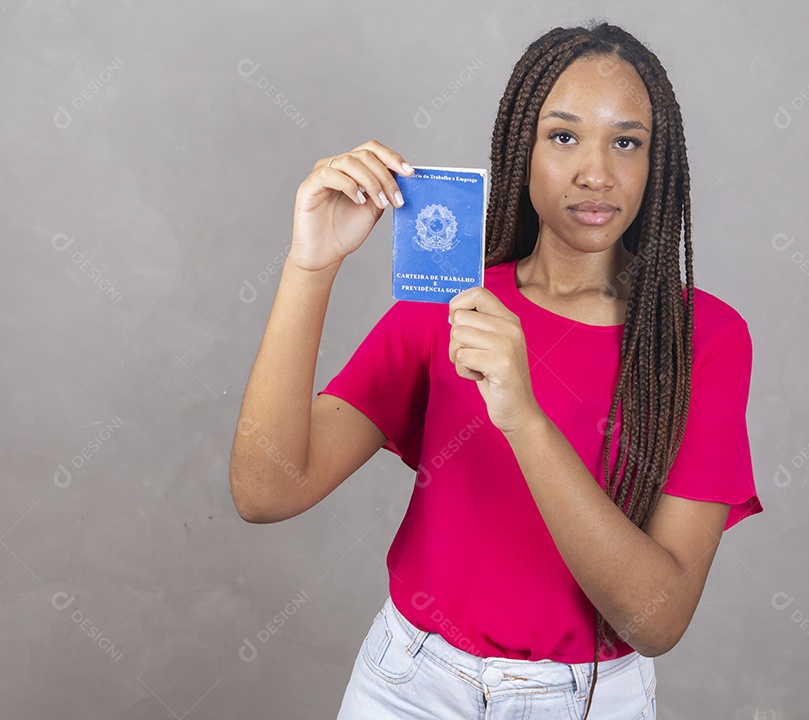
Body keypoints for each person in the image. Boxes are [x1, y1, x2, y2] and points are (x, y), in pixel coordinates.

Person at [230, 20, 762, 720]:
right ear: (522, 149)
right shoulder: (452, 303)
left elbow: (656, 621)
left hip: (586, 700)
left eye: (626, 142)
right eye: (563, 136)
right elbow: (267, 489)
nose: (595, 172)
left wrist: (525, 418)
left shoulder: (703, 340)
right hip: (410, 686)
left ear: (656, 164)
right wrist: (311, 267)